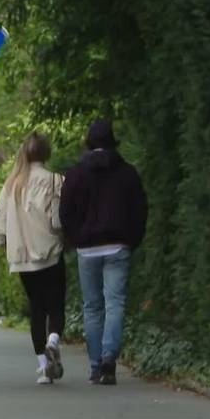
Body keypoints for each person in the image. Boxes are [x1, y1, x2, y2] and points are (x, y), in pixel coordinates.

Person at [59, 118, 147, 385]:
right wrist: (131, 240)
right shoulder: (127, 173)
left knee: (92, 307)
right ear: (112, 142)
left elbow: (65, 212)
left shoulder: (76, 174)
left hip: (87, 249)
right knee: (115, 302)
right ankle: (110, 358)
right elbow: (140, 210)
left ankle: (96, 365)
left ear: (88, 142)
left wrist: (76, 238)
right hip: (118, 245)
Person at [0, 133, 66, 385]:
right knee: (56, 304)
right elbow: (60, 220)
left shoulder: (12, 184)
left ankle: (43, 366)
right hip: (50, 254)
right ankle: (53, 341)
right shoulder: (56, 181)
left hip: (22, 257)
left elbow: (0, 222)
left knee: (36, 309)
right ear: (46, 153)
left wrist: (3, 243)